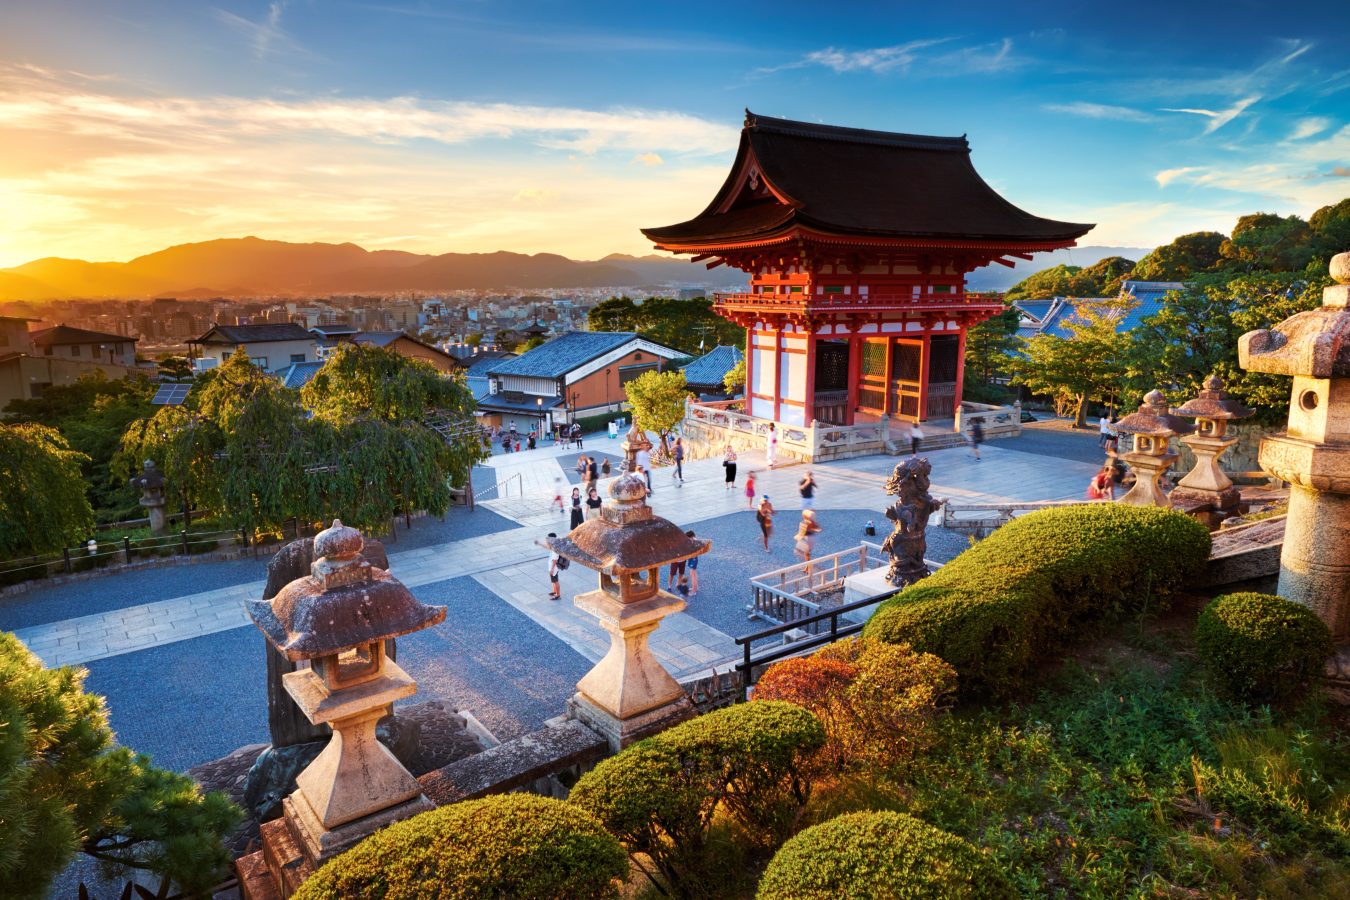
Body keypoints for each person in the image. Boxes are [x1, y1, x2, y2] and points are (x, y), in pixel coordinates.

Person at [794, 509, 823, 573]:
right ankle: (807, 567)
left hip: (808, 539)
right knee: (806, 554)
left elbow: (803, 532)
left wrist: (799, 536)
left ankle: (808, 568)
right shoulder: (810, 522)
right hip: (809, 538)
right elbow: (819, 528)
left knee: (805, 554)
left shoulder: (808, 522)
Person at [684, 529, 699, 596]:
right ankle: (694, 588)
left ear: (691, 537)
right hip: (692, 559)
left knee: (693, 575)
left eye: (688, 538)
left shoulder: (694, 541)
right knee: (693, 574)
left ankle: (694, 591)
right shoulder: (694, 540)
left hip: (693, 559)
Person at [547, 533, 561, 600]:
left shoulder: (555, 548)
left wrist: (552, 569)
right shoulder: (553, 546)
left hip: (554, 568)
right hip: (552, 568)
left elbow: (555, 560)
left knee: (555, 581)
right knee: (553, 581)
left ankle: (557, 595)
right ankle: (554, 591)